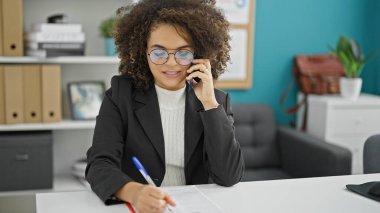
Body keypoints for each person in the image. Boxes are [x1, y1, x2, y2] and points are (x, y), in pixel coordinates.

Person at [85, 0, 244, 212]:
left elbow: (228, 176)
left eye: (183, 53)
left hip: (195, 206)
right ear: (144, 52)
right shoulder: (120, 94)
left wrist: (209, 104)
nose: (171, 63)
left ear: (198, 55)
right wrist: (134, 192)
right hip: (141, 206)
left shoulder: (216, 101)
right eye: (159, 52)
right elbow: (99, 164)